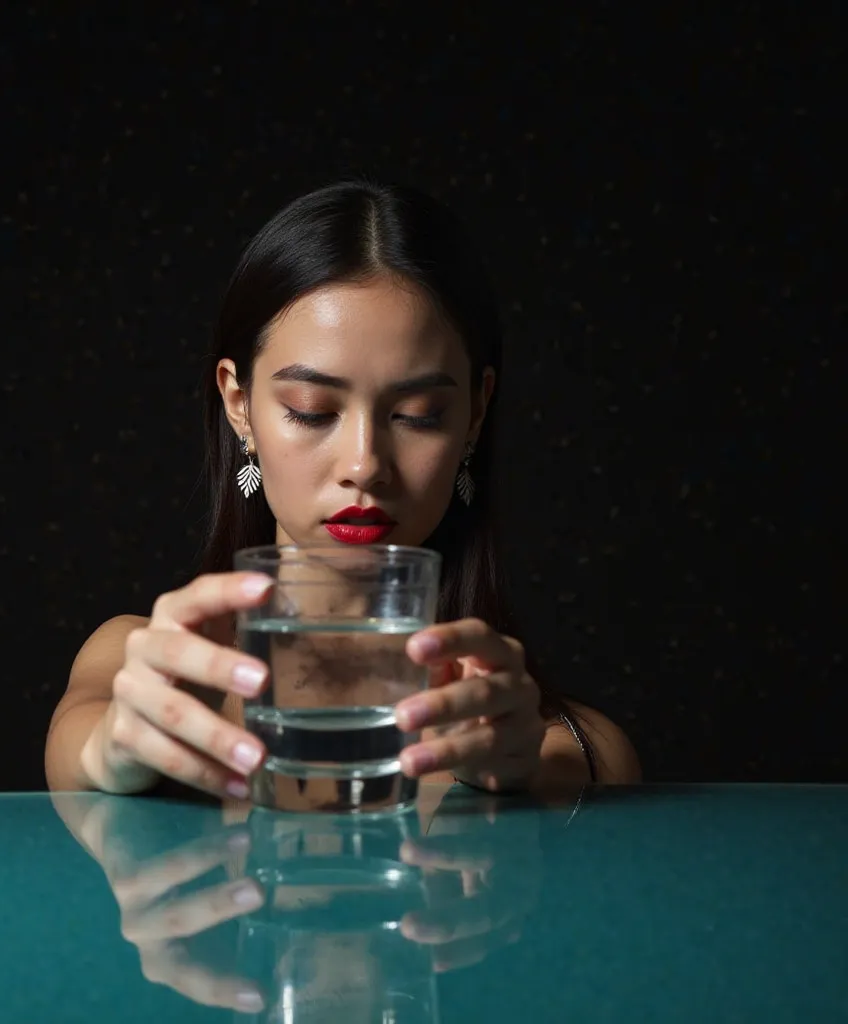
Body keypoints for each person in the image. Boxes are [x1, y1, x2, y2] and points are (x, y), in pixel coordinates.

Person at [45, 179, 641, 799]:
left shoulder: (571, 749)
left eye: (417, 414)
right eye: (311, 410)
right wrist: (112, 746)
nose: (365, 464)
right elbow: (80, 745)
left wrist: (524, 784)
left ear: (476, 413)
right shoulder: (137, 666)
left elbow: (563, 777)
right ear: (239, 404)